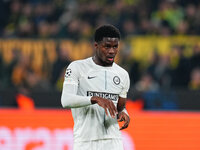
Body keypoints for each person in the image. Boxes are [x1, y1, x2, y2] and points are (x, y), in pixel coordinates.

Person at [61, 24, 130, 150]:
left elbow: (121, 106)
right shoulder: (77, 67)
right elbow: (66, 100)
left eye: (115, 47)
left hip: (113, 141)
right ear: (96, 45)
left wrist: (124, 113)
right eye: (107, 46)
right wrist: (94, 99)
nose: (111, 51)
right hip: (85, 141)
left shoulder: (123, 74)